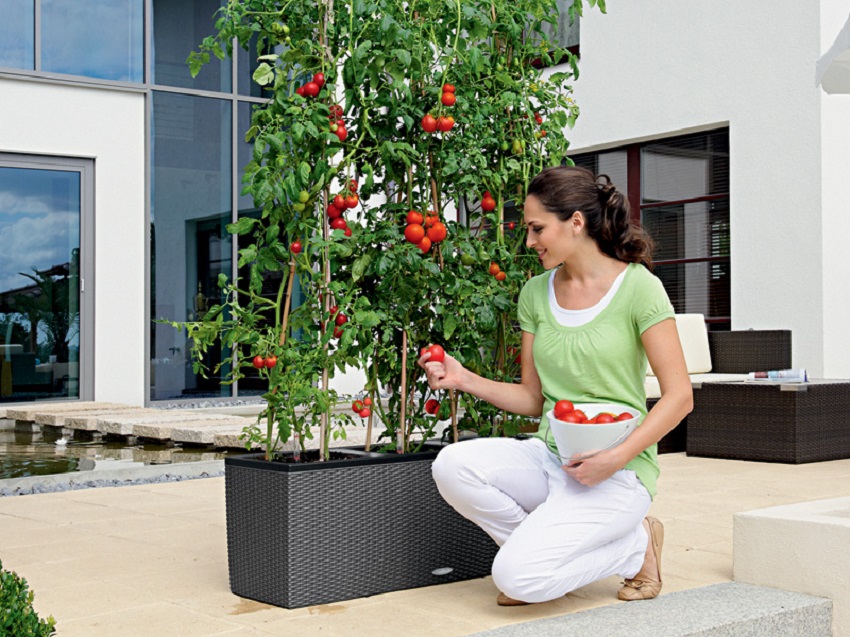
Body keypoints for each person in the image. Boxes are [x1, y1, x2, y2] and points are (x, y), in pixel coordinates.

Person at [418, 165, 693, 606]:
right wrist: (462, 379)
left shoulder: (640, 288)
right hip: (552, 458)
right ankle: (541, 556)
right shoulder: (535, 293)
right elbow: (533, 399)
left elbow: (680, 397)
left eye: (536, 228)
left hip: (619, 472)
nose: (529, 242)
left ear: (576, 223)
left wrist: (615, 457)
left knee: (518, 580)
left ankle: (636, 547)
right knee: (452, 465)